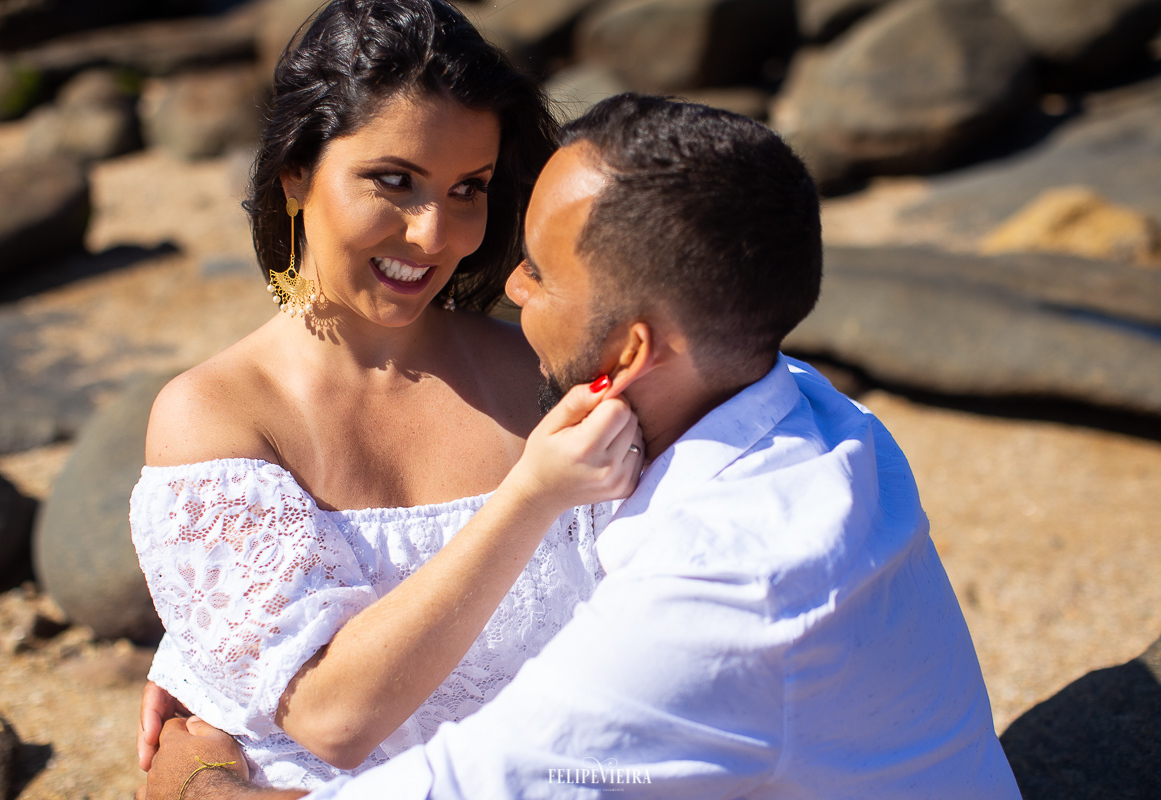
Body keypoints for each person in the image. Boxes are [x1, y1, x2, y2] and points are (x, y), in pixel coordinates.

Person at [139, 94, 1022, 799]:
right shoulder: (814, 418)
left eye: (539, 273)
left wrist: (202, 784)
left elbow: (470, 784)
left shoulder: (723, 598)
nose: (502, 281)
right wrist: (225, 638)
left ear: (632, 352)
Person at [130, 0, 644, 791]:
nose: (435, 235)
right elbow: (333, 719)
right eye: (394, 181)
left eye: (468, 188)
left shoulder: (544, 372)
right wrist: (531, 495)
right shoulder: (219, 414)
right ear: (295, 171)